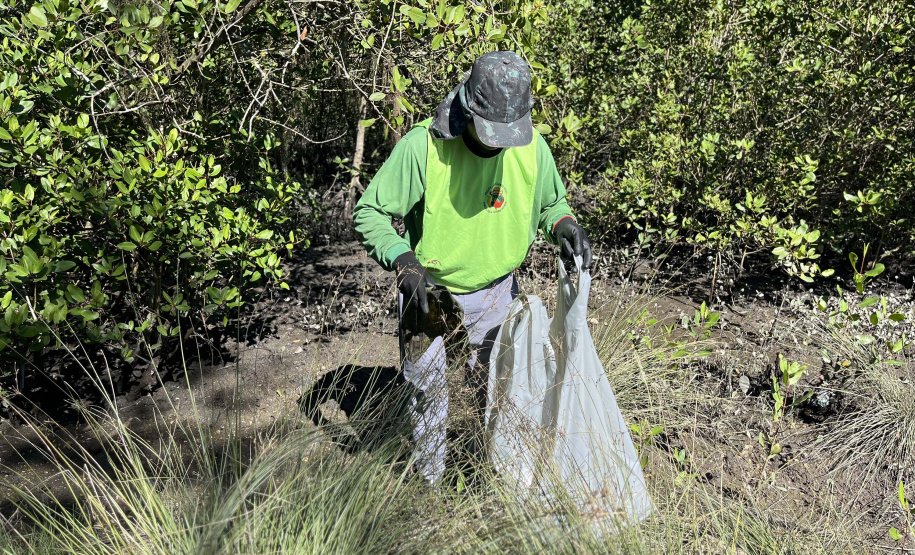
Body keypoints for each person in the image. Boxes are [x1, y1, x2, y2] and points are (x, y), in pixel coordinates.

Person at [352, 51, 592, 482]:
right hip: (429, 291)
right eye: (490, 133)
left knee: (497, 391)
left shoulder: (534, 150)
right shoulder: (424, 147)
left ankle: (485, 480)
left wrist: (564, 224)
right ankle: (427, 490)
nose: (499, 143)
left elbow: (551, 203)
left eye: (507, 134)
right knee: (428, 396)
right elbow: (369, 211)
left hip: (500, 292)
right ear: (468, 107)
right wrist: (402, 259)